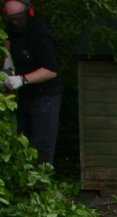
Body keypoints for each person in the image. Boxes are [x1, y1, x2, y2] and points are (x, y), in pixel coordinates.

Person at [2, 0, 61, 166]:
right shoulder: (12, 30)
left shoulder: (41, 35)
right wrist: (8, 64)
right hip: (23, 96)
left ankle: (42, 177)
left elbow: (50, 70)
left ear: (29, 13)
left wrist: (22, 79)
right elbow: (8, 42)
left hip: (45, 96)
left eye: (18, 18)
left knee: (41, 147)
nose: (15, 22)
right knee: (22, 141)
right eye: (11, 18)